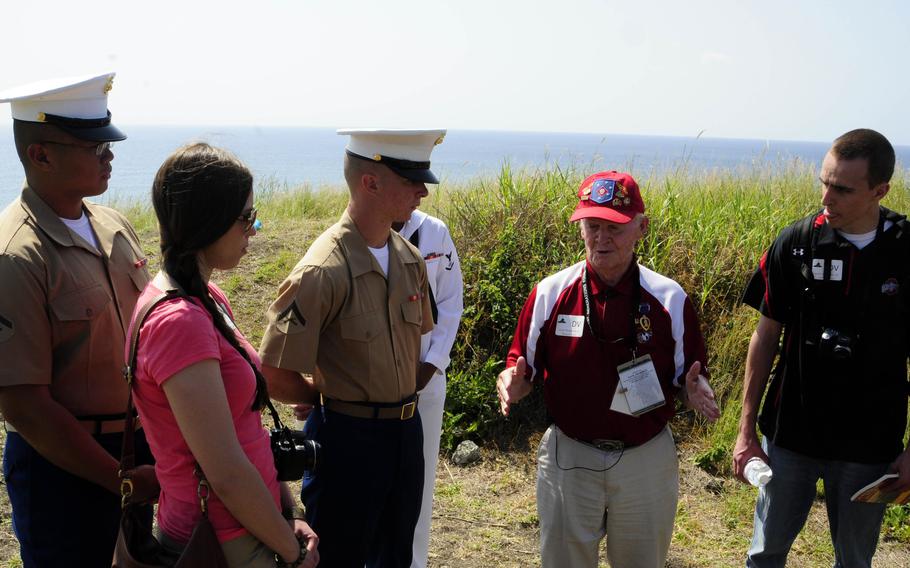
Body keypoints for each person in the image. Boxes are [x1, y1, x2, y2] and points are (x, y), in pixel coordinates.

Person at [497, 170, 720, 568]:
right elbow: (522, 369)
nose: (601, 238)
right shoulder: (550, 293)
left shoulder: (669, 298)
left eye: (615, 227)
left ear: (641, 228)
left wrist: (694, 391)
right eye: (592, 225)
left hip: (645, 459)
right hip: (570, 456)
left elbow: (688, 378)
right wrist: (512, 382)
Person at [128, 142, 318, 567]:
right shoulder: (179, 322)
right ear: (208, 222)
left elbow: (244, 429)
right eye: (246, 218)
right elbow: (225, 471)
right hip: (223, 539)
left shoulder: (205, 299)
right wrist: (290, 553)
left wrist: (287, 514)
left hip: (248, 525)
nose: (255, 228)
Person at [259, 128, 440, 567]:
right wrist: (323, 401)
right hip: (347, 441)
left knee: (396, 554)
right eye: (411, 180)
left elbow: (416, 341)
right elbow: (273, 373)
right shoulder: (323, 269)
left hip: (404, 434)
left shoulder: (409, 259)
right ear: (370, 182)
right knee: (338, 556)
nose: (423, 192)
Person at [0, 72, 158, 567]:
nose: (108, 155)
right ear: (40, 154)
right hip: (63, 468)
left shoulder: (114, 226)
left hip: (138, 449)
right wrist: (121, 480)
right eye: (92, 145)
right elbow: (24, 405)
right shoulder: (16, 255)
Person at [733, 128, 910, 568]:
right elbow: (764, 336)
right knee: (765, 551)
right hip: (791, 433)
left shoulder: (906, 251)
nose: (827, 198)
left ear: (880, 190)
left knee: (854, 559)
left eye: (843, 189)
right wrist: (746, 429)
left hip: (869, 443)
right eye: (823, 183)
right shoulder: (796, 244)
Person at [393, 210, 464, 568]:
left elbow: (451, 302)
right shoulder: (356, 234)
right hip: (373, 388)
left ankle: (414, 562)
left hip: (427, 382)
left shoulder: (434, 232)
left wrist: (432, 365)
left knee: (419, 482)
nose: (419, 192)